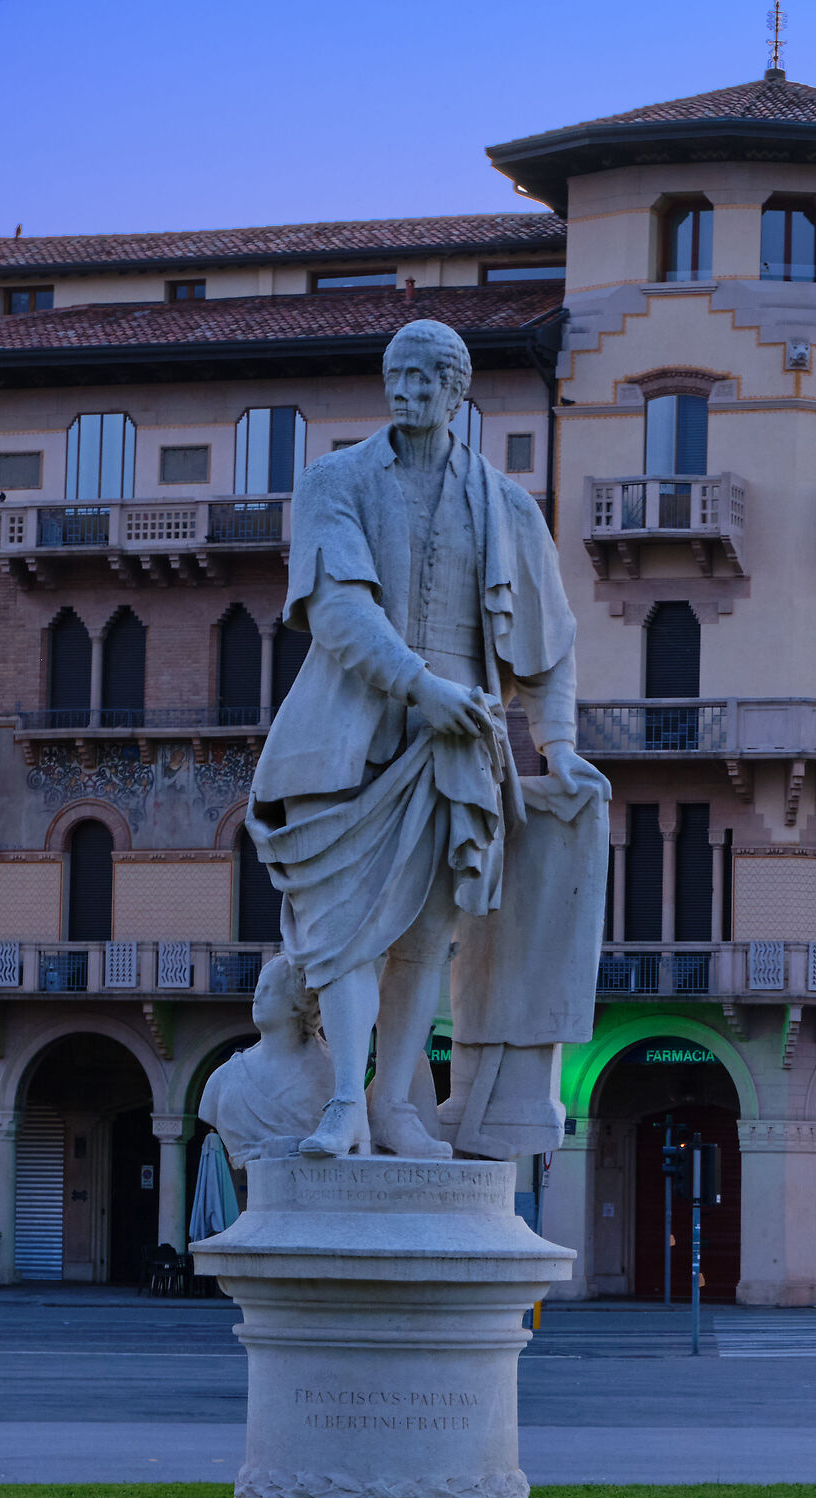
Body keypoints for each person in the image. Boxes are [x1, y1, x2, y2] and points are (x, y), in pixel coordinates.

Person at [246, 318, 604, 1159]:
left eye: (423, 379)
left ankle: (396, 1108)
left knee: (422, 940)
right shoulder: (333, 481)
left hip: (457, 753)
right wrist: (425, 689)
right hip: (349, 738)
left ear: (457, 391)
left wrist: (557, 746)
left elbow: (551, 643)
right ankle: (343, 1101)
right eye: (395, 376)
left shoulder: (510, 506)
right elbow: (338, 611)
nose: (405, 392)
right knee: (343, 931)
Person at [197, 954, 335, 1168]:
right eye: (258, 988)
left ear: (298, 1001)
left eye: (268, 989)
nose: (257, 997)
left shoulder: (332, 1074)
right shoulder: (222, 1080)